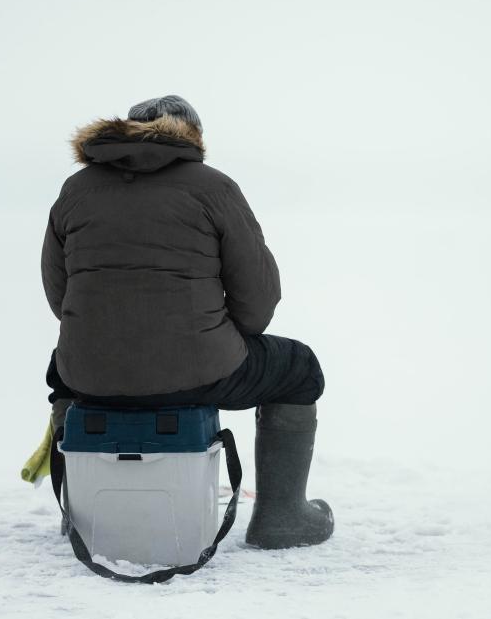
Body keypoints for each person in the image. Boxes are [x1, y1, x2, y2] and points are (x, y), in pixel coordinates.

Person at [41, 95, 333, 549]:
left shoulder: (76, 189)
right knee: (299, 369)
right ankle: (282, 518)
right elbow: (257, 303)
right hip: (199, 373)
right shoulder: (213, 187)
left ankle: (79, 514)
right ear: (191, 135)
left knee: (62, 370)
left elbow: (61, 299)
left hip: (90, 375)